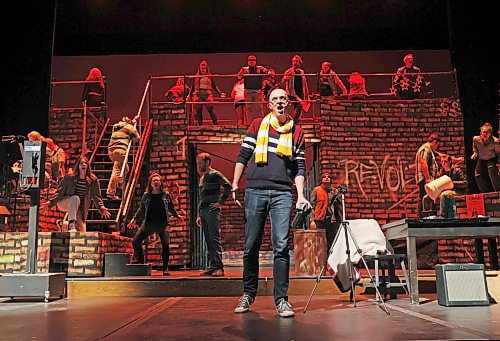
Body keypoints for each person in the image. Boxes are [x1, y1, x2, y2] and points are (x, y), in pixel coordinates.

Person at [232, 88, 310, 317]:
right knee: (251, 245)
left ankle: (282, 300)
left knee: (281, 246)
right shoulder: (257, 125)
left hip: (282, 194)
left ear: (288, 103)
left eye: (282, 99)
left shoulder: (297, 132)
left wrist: (301, 195)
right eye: (274, 99)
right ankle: (248, 293)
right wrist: (236, 183)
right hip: (255, 190)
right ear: (269, 104)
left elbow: (300, 167)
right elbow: (243, 156)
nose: (279, 102)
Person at [127, 172, 181, 276]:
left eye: (157, 180)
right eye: (154, 180)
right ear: (151, 183)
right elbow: (141, 209)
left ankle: (165, 268)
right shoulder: (146, 195)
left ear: (161, 183)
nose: (156, 182)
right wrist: (134, 219)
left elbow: (171, 208)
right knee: (135, 241)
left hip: (162, 224)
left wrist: (177, 216)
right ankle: (140, 259)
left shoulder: (166, 195)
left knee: (165, 245)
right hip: (149, 223)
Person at [47, 156, 110, 232]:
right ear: (78, 166)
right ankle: (71, 224)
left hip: (78, 206)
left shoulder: (93, 180)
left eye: (85, 163)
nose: (83, 165)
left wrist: (101, 208)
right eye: (81, 163)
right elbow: (59, 191)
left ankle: (64, 224)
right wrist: (50, 203)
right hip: (64, 202)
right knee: (75, 198)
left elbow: (96, 196)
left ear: (88, 166)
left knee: (81, 231)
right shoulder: (69, 177)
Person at [196, 152, 232, 277]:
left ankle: (219, 267)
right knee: (208, 240)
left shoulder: (215, 174)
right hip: (204, 211)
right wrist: (199, 214)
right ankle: (212, 266)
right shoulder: (203, 177)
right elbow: (201, 197)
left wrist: (220, 203)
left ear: (207, 162)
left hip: (212, 211)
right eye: (197, 163)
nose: (198, 165)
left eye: (200, 163)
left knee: (214, 239)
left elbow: (228, 186)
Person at [106, 116, 140, 200]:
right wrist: (133, 133)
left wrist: (134, 121)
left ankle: (120, 183)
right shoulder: (129, 127)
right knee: (117, 170)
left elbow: (127, 127)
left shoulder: (116, 126)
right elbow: (137, 139)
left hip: (111, 151)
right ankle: (110, 192)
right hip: (121, 150)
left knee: (126, 169)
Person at [309, 173, 341, 251]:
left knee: (331, 240)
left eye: (328, 177)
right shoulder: (317, 190)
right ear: (321, 179)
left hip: (331, 220)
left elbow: (338, 206)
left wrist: (337, 194)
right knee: (319, 241)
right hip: (319, 219)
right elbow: (312, 206)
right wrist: (312, 220)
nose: (326, 178)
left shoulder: (334, 191)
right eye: (324, 177)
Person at [191, 60, 225, 125]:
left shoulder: (209, 76)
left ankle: (216, 124)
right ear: (199, 68)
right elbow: (193, 86)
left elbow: (214, 86)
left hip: (207, 93)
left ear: (206, 68)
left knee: (210, 109)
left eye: (204, 68)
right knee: (198, 111)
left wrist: (220, 93)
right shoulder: (196, 77)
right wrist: (189, 96)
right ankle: (200, 126)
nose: (203, 70)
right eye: (202, 68)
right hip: (198, 93)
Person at [237, 55, 270, 121]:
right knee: (249, 108)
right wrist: (241, 71)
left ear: (255, 61)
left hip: (257, 91)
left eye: (253, 60)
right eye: (250, 60)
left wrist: (265, 70)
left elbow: (269, 73)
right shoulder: (245, 69)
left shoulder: (259, 68)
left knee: (259, 108)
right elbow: (238, 77)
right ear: (247, 61)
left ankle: (261, 123)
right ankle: (250, 124)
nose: (251, 61)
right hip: (248, 91)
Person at [415, 133, 440, 217]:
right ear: (435, 142)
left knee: (426, 198)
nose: (436, 147)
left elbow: (440, 155)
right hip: (425, 179)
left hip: (426, 179)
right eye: (437, 145)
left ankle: (425, 216)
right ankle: (420, 218)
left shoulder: (429, 150)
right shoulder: (425, 149)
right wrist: (427, 178)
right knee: (423, 197)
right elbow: (423, 162)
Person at [471, 122, 500, 192]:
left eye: (487, 132)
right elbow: (474, 146)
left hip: (492, 159)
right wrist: (475, 152)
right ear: (481, 132)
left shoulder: (495, 141)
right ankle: (486, 193)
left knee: (491, 170)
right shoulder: (476, 139)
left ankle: (498, 191)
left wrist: (499, 163)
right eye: (484, 132)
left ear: (490, 133)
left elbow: (499, 153)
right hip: (482, 159)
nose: (485, 134)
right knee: (477, 174)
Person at [281, 55, 310, 122]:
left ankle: (296, 123)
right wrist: (287, 77)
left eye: (296, 61)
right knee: (300, 104)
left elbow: (304, 83)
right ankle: (294, 122)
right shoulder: (289, 71)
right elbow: (283, 81)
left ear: (299, 62)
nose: (295, 62)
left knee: (299, 108)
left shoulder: (301, 72)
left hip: (300, 92)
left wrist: (306, 93)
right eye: (293, 61)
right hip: (291, 93)